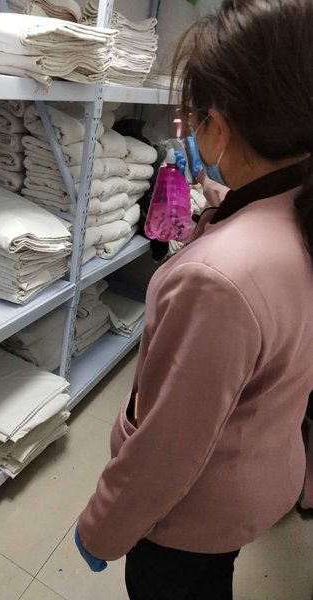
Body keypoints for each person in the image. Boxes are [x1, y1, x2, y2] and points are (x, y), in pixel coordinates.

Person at [74, 1, 313, 599]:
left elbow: (167, 449)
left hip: (191, 515)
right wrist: (220, 197)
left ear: (219, 127)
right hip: (257, 472)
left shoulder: (216, 280)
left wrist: (102, 527)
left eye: (195, 118)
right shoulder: (298, 210)